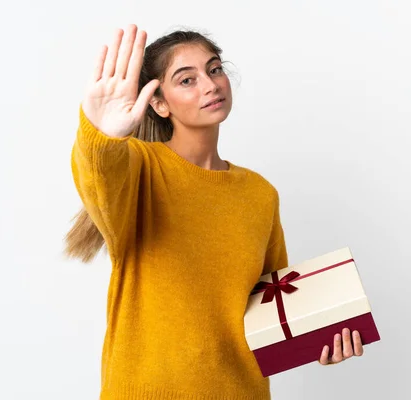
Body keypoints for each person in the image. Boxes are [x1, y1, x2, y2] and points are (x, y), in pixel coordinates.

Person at [66, 24, 364, 399]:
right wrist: (102, 135)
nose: (209, 85)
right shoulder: (139, 166)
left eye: (214, 69)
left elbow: (273, 305)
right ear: (159, 103)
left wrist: (318, 340)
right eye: (186, 80)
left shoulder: (259, 193)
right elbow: (98, 175)